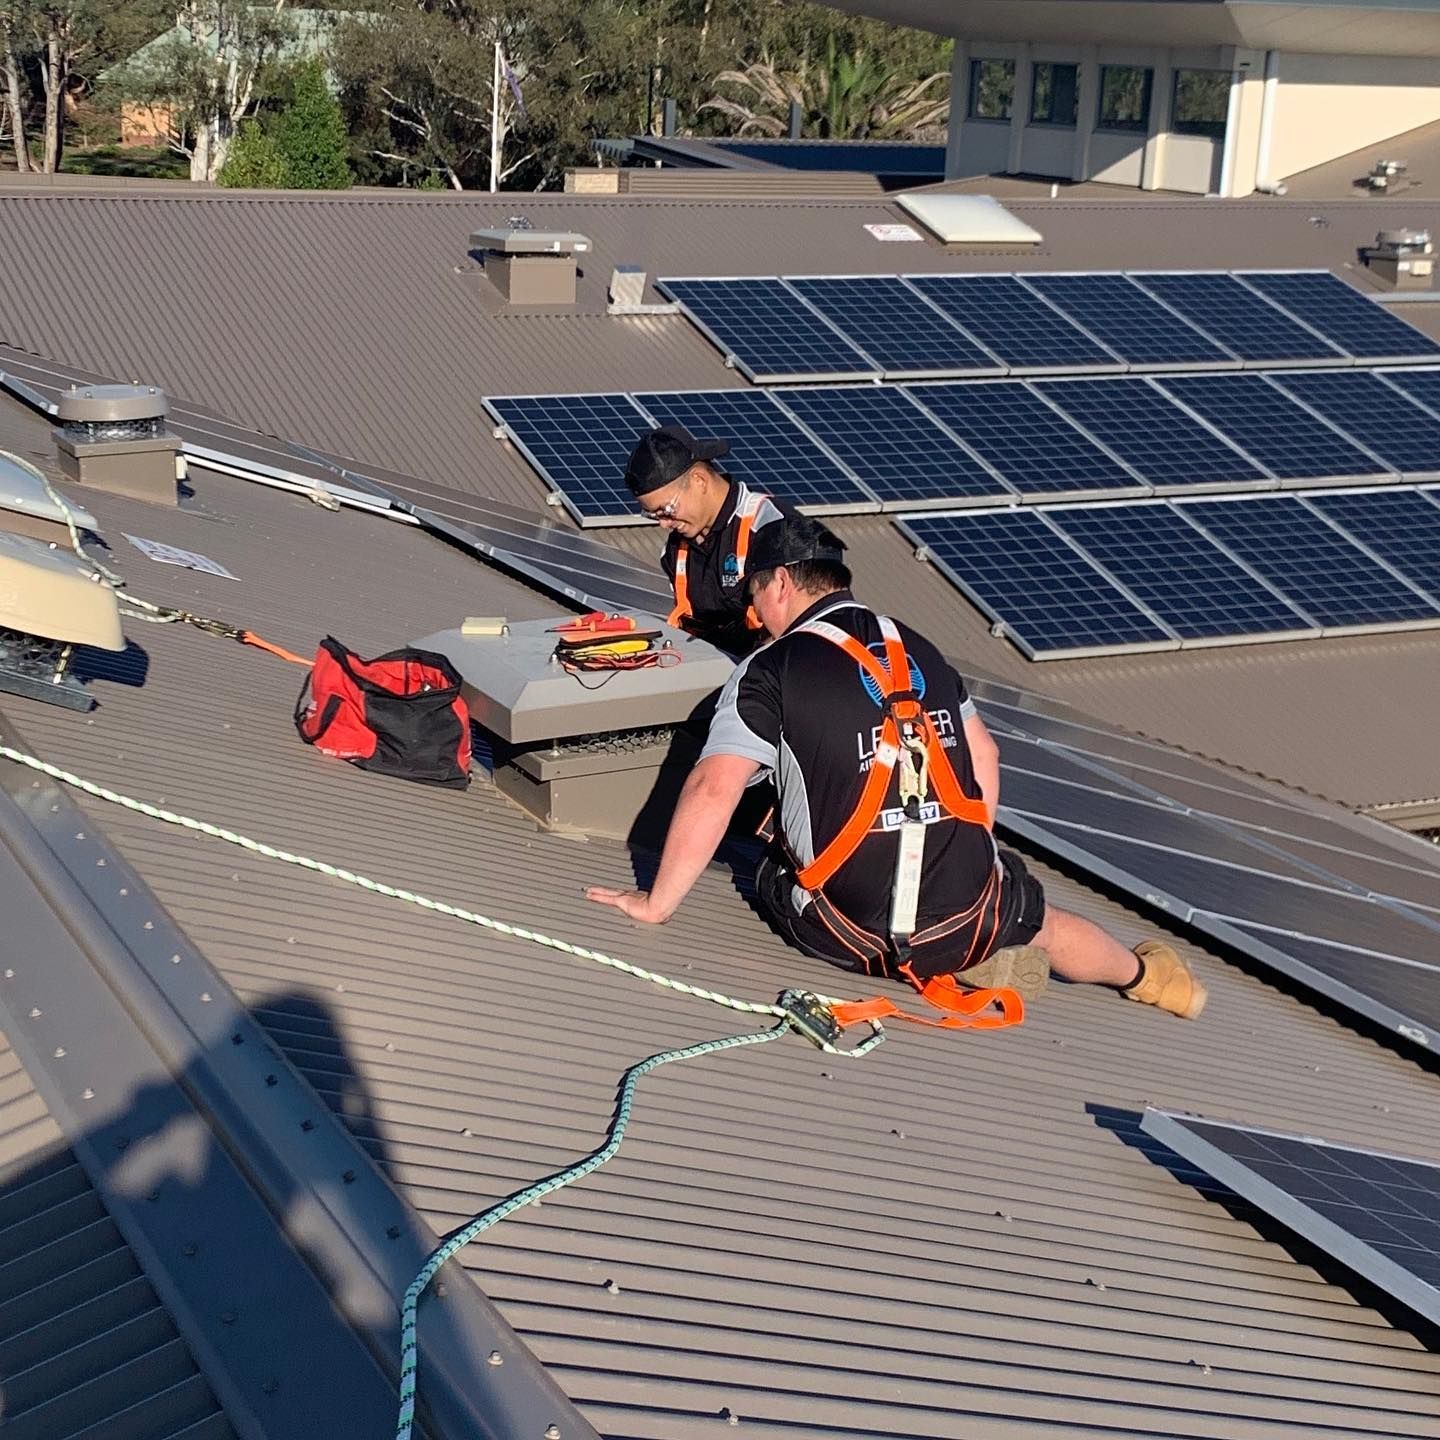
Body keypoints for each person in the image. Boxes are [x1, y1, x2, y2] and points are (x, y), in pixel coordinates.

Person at [587, 514, 1206, 1020]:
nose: (757, 617)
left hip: (843, 930)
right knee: (1035, 915)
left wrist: (656, 904)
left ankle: (955, 948)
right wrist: (968, 861)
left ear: (779, 583)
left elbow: (714, 785)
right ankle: (1151, 978)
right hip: (964, 915)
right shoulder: (920, 647)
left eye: (756, 598)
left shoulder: (770, 669)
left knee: (764, 822)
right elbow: (984, 756)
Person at [624, 423, 802, 658]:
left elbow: (803, 633)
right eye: (653, 515)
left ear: (699, 480)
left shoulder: (773, 527)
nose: (663, 524)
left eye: (666, 509)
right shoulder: (675, 552)